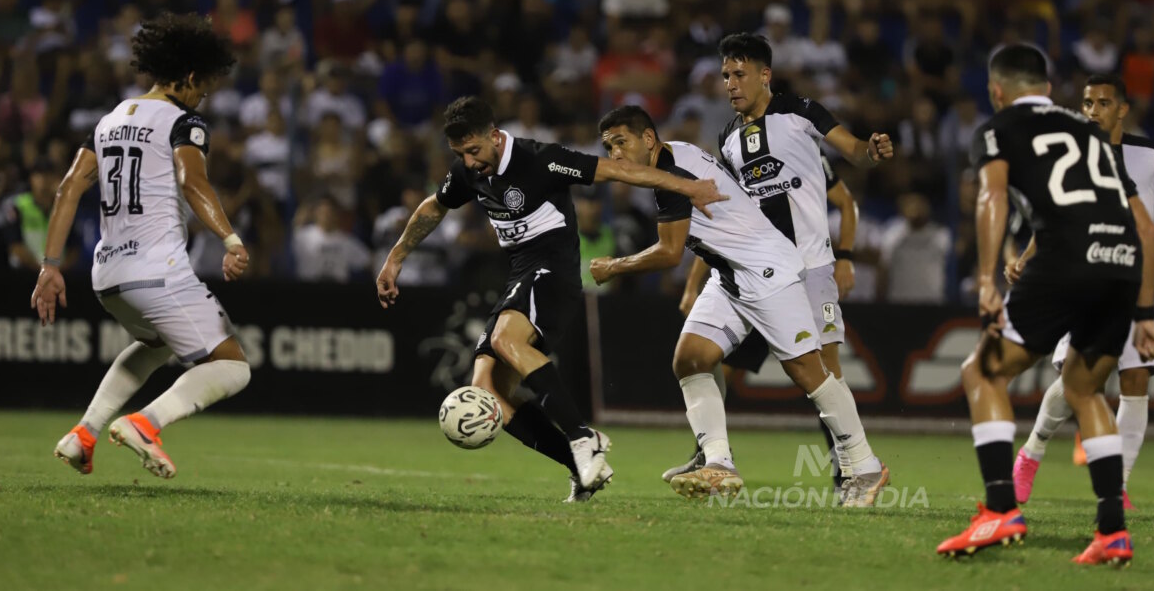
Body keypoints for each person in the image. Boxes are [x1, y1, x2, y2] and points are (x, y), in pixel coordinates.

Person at [376, 96, 726, 503]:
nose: (469, 162)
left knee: (508, 342)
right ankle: (579, 466)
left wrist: (688, 187)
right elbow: (434, 206)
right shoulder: (469, 172)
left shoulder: (539, 158)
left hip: (552, 273)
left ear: (494, 136)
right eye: (460, 154)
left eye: (474, 151)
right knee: (488, 388)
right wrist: (395, 258)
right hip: (521, 275)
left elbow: (618, 171)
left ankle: (583, 436)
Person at [589, 105, 891, 507]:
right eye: (608, 147)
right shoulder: (675, 155)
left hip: (768, 272)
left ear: (647, 139)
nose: (615, 156)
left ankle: (864, 464)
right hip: (730, 276)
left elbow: (669, 252)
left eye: (621, 143)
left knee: (808, 372)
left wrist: (614, 266)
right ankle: (718, 461)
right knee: (692, 358)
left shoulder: (672, 177)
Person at [936, 46, 1154, 565]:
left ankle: (999, 508)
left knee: (983, 372)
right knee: (1086, 388)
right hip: (1122, 264)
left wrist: (987, 278)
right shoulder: (1094, 133)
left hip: (1065, 257)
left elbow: (991, 197)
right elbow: (1147, 228)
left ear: (998, 90)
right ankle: (1112, 531)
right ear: (1047, 85)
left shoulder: (999, 129)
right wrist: (1145, 314)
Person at [663, 32, 889, 503]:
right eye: (725, 75)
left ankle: (856, 471)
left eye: (739, 73)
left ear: (765, 74)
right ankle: (712, 455)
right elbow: (724, 219)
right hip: (751, 275)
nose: (730, 83)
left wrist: (872, 149)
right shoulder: (726, 140)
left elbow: (851, 149)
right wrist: (695, 281)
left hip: (808, 268)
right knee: (699, 356)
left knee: (821, 372)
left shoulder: (800, 114)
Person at [36, 13, 252, 480]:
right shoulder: (184, 121)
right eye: (204, 86)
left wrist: (49, 267)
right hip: (158, 269)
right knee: (234, 368)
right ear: (190, 76)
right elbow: (191, 181)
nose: (203, 96)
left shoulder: (109, 119)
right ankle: (144, 424)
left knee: (153, 345)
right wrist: (230, 240)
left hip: (108, 275)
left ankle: (84, 435)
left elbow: (68, 189)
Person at [1011, 74, 1154, 508]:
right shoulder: (1067, 151)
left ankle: (1116, 487)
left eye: (1103, 103)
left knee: (1136, 379)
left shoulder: (1151, 155)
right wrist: (1029, 258)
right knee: (1075, 379)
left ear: (1122, 109)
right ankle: (1031, 453)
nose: (1093, 111)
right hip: (1080, 279)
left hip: (1136, 283)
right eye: (1088, 103)